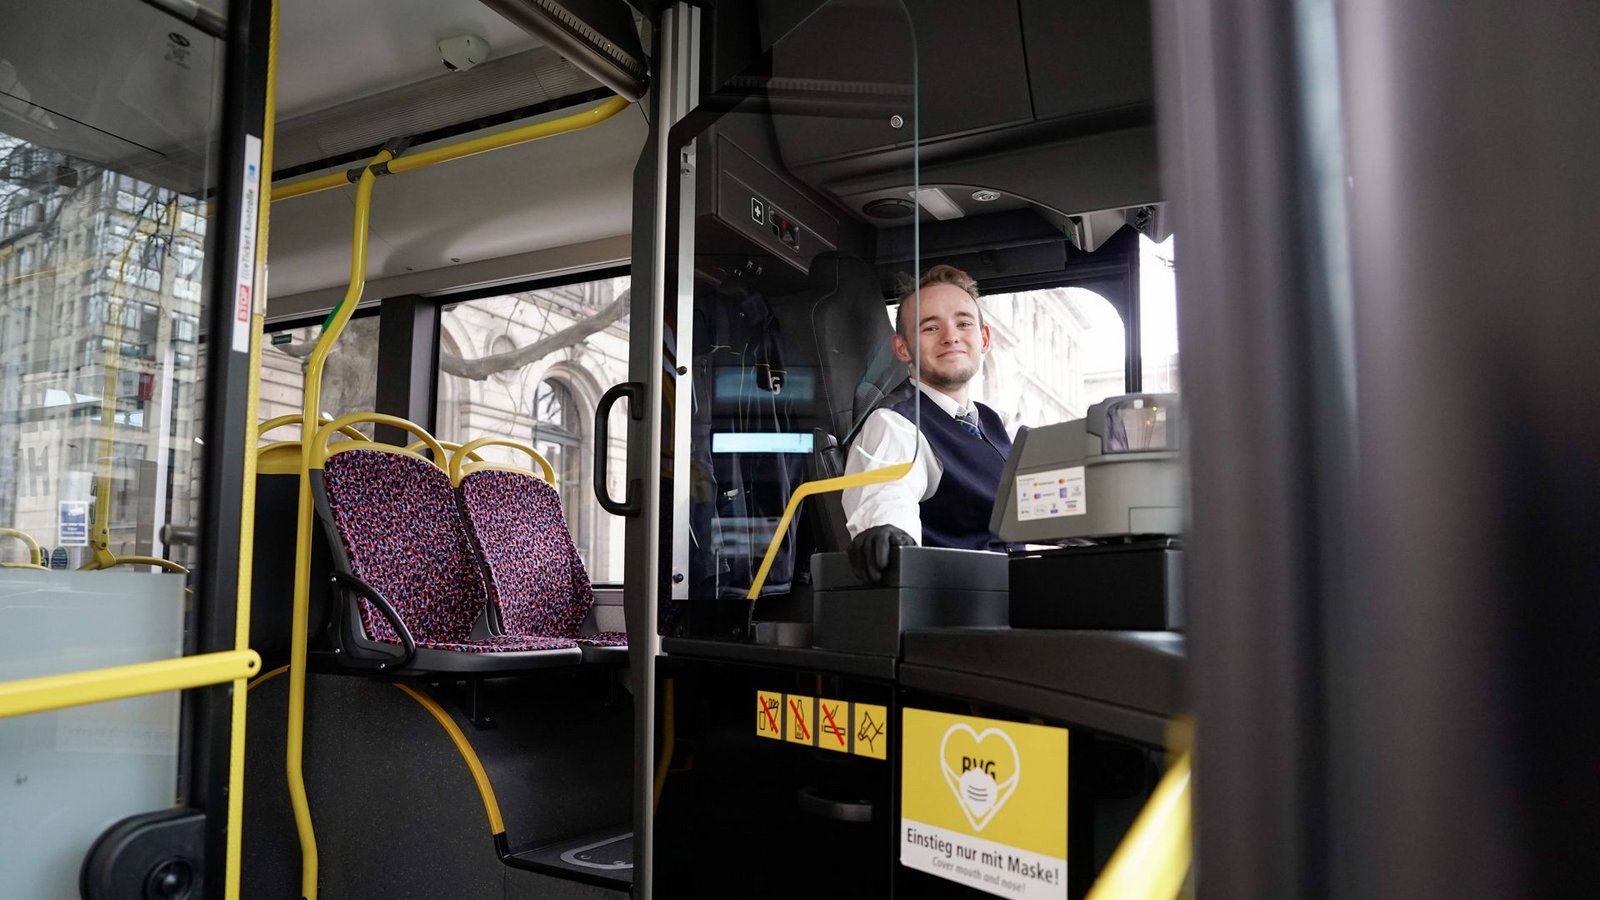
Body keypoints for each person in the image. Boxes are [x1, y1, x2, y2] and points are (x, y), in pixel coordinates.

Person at [841, 264, 1012, 582]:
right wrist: (889, 532)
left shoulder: (995, 423)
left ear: (984, 338)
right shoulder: (894, 424)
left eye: (963, 323)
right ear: (902, 348)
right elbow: (886, 495)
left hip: (1019, 587)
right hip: (960, 602)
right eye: (930, 328)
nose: (951, 337)